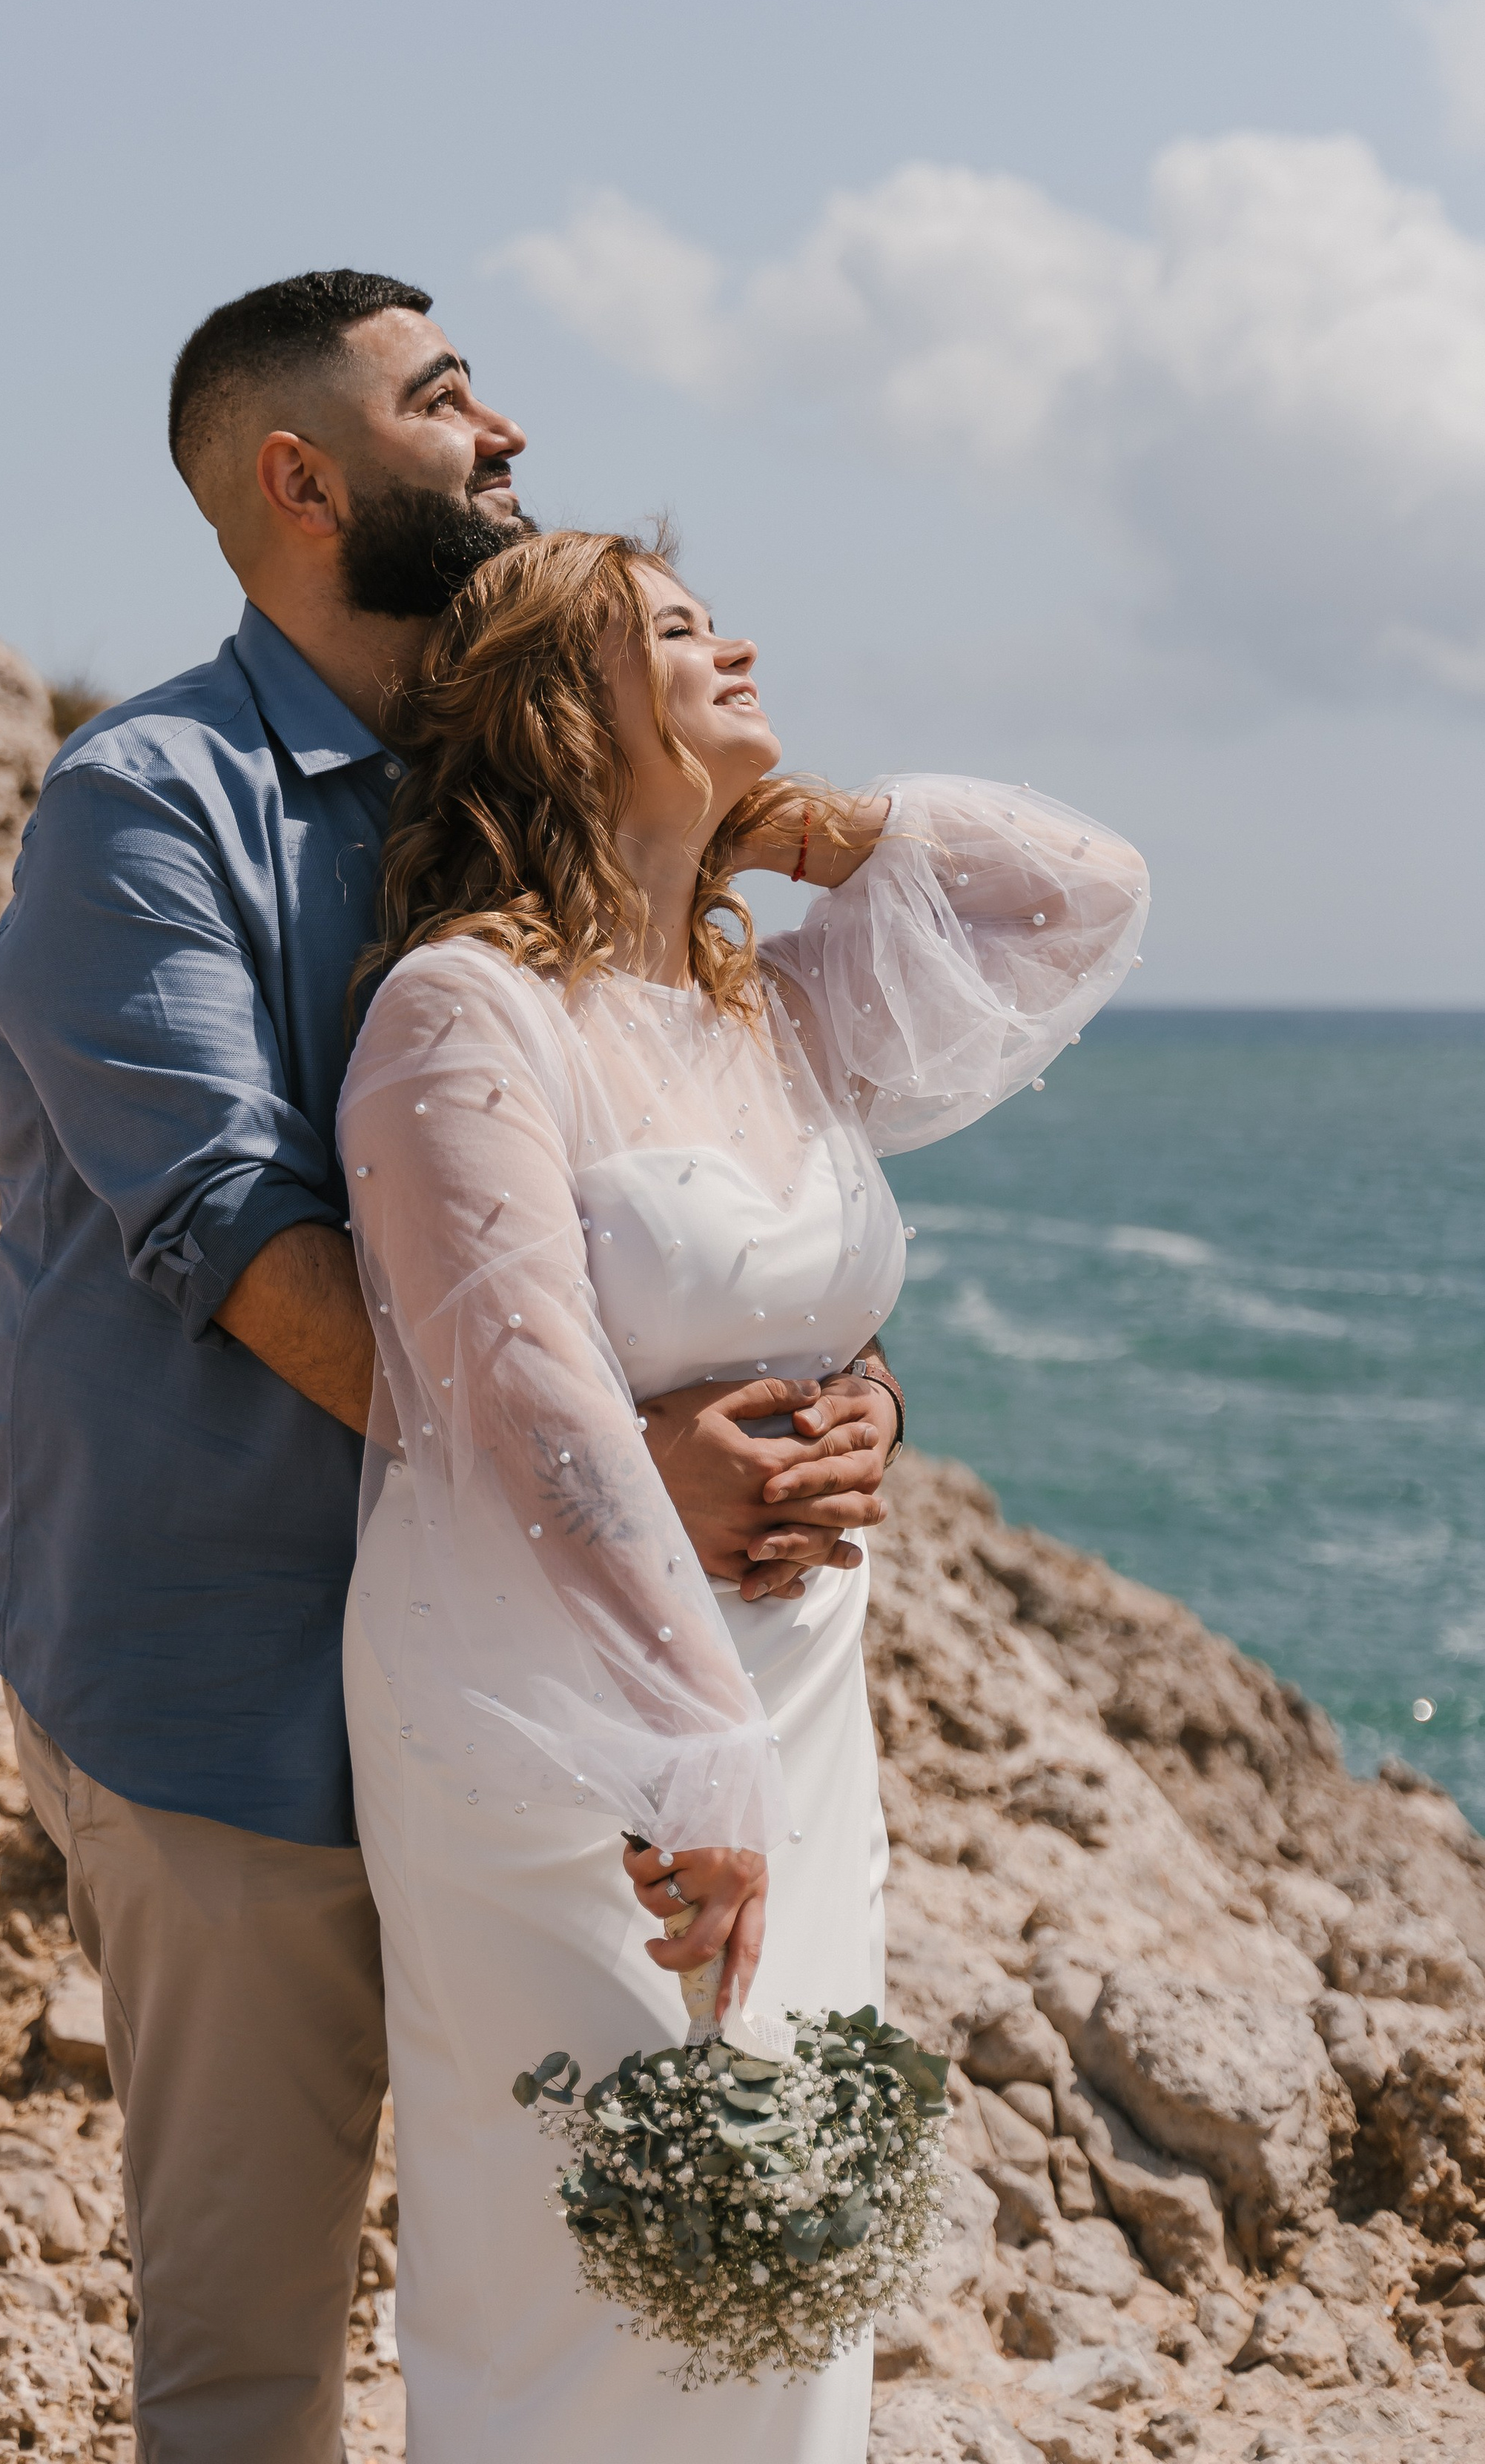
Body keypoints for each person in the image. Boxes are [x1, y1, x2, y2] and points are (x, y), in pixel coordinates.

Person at [0, 274, 902, 2462]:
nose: (510, 437)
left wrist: (842, 1406)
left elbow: (688, 1176)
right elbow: (245, 1251)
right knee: (256, 2356)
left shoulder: (522, 801)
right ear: (302, 479)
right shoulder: (144, 806)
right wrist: (623, 1484)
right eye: (447, 399)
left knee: (591, 2302)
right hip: (230, 1703)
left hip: (539, 1708)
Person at [340, 528, 1149, 2463]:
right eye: (681, 632)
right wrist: (689, 1756)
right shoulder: (461, 1016)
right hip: (565, 1721)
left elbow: (1084, 898)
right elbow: (523, 1393)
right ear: (556, 706)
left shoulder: (769, 1005)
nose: (743, 644)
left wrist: (810, 825)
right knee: (591, 2262)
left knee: (792, 2247)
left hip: (805, 1701)